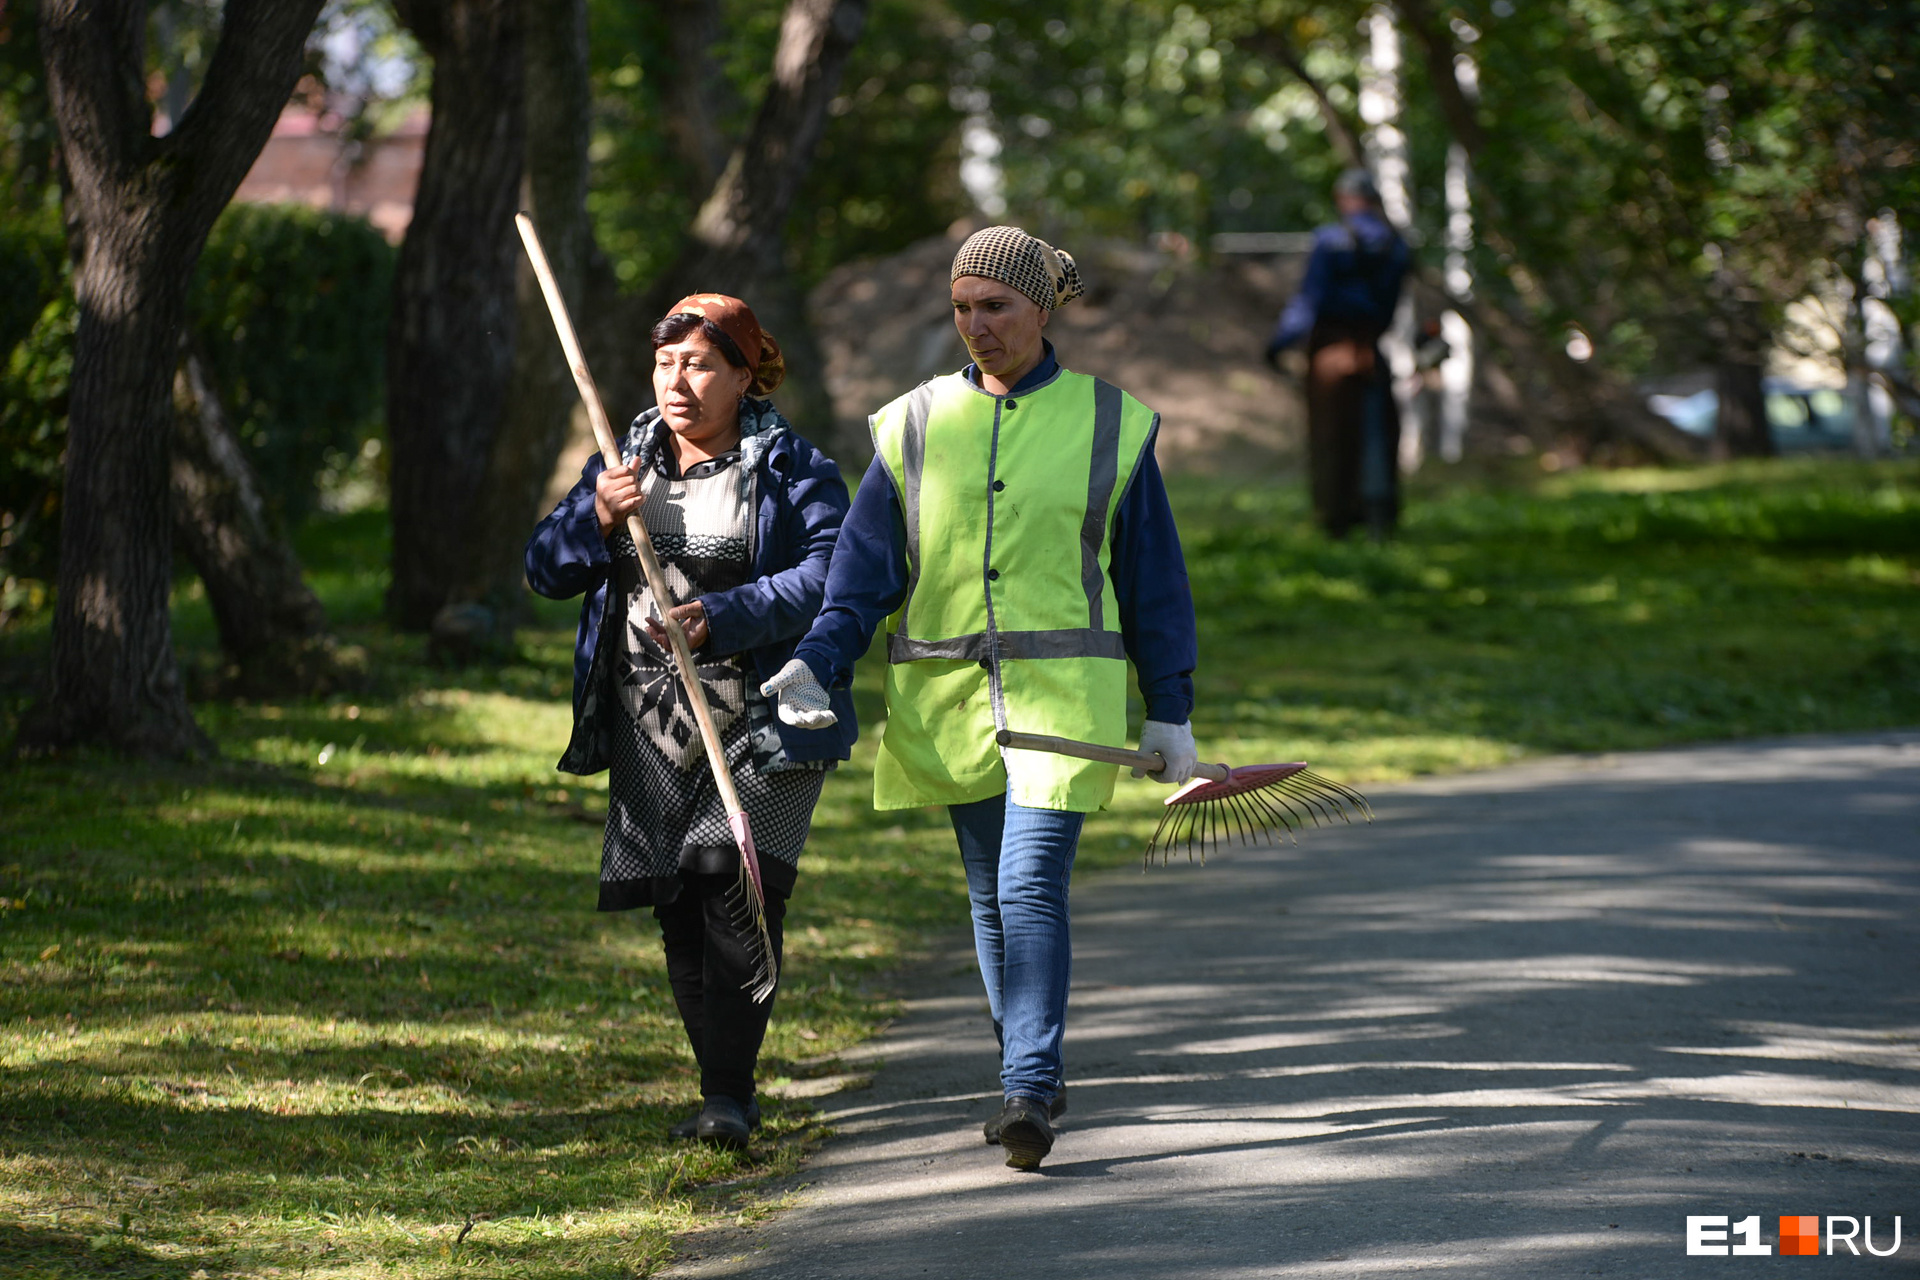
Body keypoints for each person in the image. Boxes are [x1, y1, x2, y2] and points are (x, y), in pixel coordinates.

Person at [757, 227, 1200, 1171]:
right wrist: (819, 660)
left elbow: (1155, 579)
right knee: (988, 899)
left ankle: (1031, 1085)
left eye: (994, 306)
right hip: (950, 701)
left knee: (1028, 884)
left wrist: (1171, 705)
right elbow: (864, 574)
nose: (976, 326)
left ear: (1042, 308)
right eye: (962, 309)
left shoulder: (1112, 421)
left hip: (1066, 706)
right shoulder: (912, 424)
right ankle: (1022, 1072)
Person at [525, 294, 854, 1150]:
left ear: (746, 377)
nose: (679, 381)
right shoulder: (621, 461)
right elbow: (544, 572)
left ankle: (728, 1095)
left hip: (768, 716)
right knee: (678, 899)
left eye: (701, 364)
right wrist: (593, 517)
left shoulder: (792, 470)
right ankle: (723, 1093)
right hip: (651, 719)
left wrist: (730, 614)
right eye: (667, 364)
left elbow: (832, 577)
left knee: (733, 883)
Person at [1265, 168, 1410, 540]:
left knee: (1332, 435)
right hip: (1371, 350)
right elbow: (1392, 304)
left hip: (1331, 352)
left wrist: (1280, 344)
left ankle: (1335, 519)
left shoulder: (1330, 241)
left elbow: (1309, 299)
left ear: (1343, 200)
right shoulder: (1396, 245)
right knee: (1376, 430)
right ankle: (1379, 514)